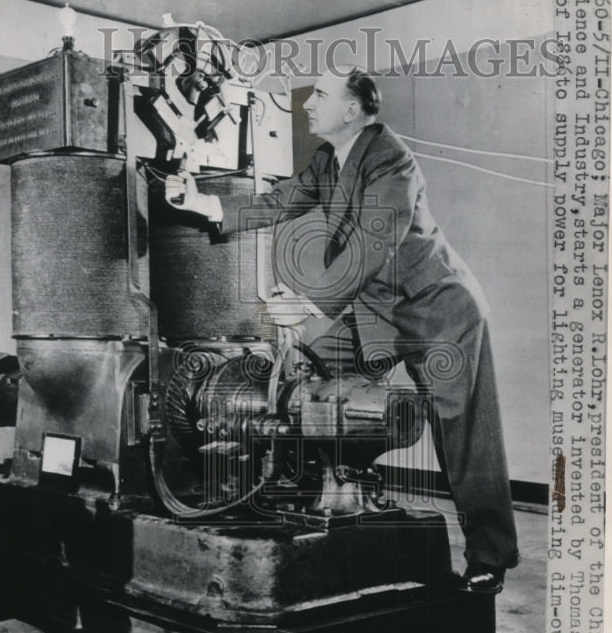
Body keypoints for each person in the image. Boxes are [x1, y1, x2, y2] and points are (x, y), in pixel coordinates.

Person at [165, 67, 519, 594]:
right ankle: (336, 492)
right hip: (378, 307)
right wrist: (206, 204)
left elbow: (376, 242)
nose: (309, 105)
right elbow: (284, 198)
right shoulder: (330, 159)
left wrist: (312, 300)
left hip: (438, 307)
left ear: (352, 110)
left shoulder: (391, 158)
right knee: (311, 372)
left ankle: (490, 558)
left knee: (463, 432)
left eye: (322, 97)